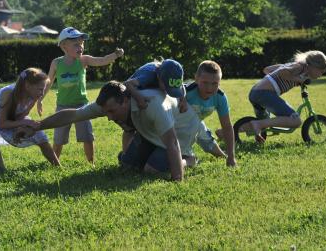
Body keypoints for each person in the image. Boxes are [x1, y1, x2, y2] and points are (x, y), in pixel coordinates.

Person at [18, 80, 211, 181]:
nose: (109, 117)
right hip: (150, 133)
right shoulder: (108, 104)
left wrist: (177, 179)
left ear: (126, 100)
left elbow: (172, 142)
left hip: (181, 130)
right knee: (127, 167)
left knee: (150, 170)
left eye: (112, 111)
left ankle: (189, 160)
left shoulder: (152, 105)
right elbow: (73, 115)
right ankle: (149, 154)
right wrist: (38, 125)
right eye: (105, 112)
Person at [38, 27, 124, 165]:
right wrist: (40, 99)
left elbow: (101, 60)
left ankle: (91, 163)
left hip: (81, 105)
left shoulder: (84, 60)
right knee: (59, 138)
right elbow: (48, 82)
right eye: (76, 44)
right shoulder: (56, 63)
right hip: (62, 106)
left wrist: (115, 55)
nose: (81, 47)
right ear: (64, 46)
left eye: (82, 44)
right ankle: (54, 163)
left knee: (87, 137)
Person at [0, 68, 61, 172]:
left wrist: (19, 128)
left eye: (43, 89)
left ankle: (58, 167)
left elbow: (20, 116)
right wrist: (25, 122)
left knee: (40, 135)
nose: (42, 93)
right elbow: (2, 123)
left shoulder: (34, 96)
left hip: (9, 118)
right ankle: (2, 170)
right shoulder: (9, 94)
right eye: (40, 89)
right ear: (28, 86)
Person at [247, 50, 326, 141]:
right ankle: (258, 124)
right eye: (321, 72)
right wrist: (297, 79)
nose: (321, 75)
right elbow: (281, 72)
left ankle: (254, 129)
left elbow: (267, 70)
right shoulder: (299, 67)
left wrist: (292, 79)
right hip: (263, 93)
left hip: (255, 93)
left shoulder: (294, 66)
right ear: (314, 66)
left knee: (265, 121)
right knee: (296, 121)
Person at [122, 58, 187, 151]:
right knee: (129, 129)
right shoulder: (148, 76)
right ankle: (125, 153)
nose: (168, 90)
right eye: (166, 87)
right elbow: (127, 84)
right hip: (131, 91)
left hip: (151, 91)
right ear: (159, 77)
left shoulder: (172, 77)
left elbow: (182, 86)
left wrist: (183, 99)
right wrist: (138, 98)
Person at [185, 60, 236, 166]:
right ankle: (189, 158)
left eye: (214, 84)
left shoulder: (220, 97)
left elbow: (226, 126)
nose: (209, 88)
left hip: (197, 124)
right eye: (205, 82)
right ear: (196, 79)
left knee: (209, 143)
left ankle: (224, 155)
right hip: (178, 127)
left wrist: (231, 157)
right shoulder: (185, 92)